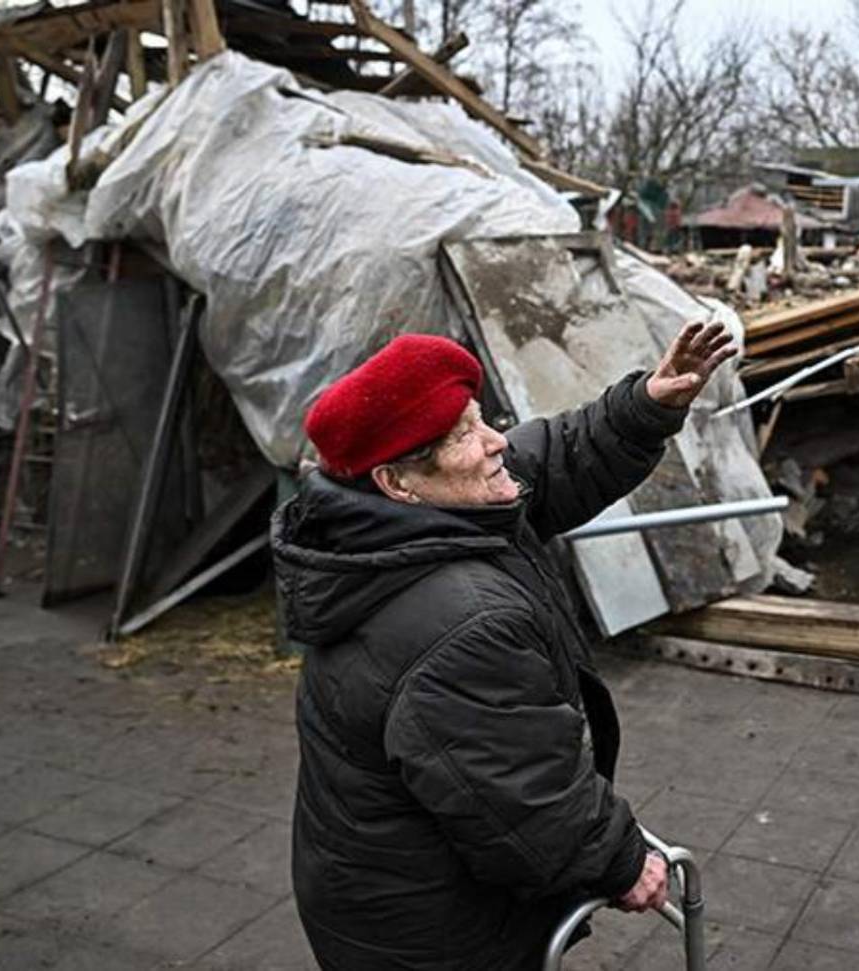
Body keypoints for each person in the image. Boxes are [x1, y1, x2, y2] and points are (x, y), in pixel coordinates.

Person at [275, 322, 736, 971]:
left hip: (375, 874)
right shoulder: (460, 625)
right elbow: (521, 787)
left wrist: (647, 404)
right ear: (397, 481)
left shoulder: (398, 516)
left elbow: (551, 456)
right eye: (463, 434)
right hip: (428, 931)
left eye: (478, 416)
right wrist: (621, 859)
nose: (493, 440)